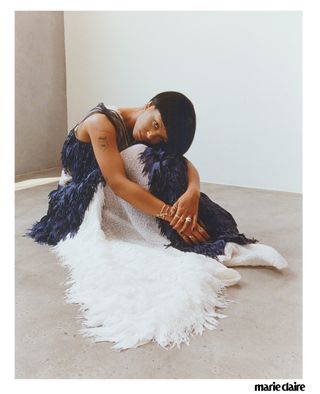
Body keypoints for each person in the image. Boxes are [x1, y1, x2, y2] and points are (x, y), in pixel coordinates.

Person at [26, 91, 257, 257]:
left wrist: (192, 193)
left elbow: (183, 163)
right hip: (75, 201)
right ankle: (177, 233)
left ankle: (200, 227)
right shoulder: (101, 124)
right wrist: (171, 216)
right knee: (141, 155)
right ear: (149, 105)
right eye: (155, 124)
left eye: (161, 137)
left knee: (163, 162)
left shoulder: (147, 134)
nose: (151, 135)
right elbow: (117, 183)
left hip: (114, 194)